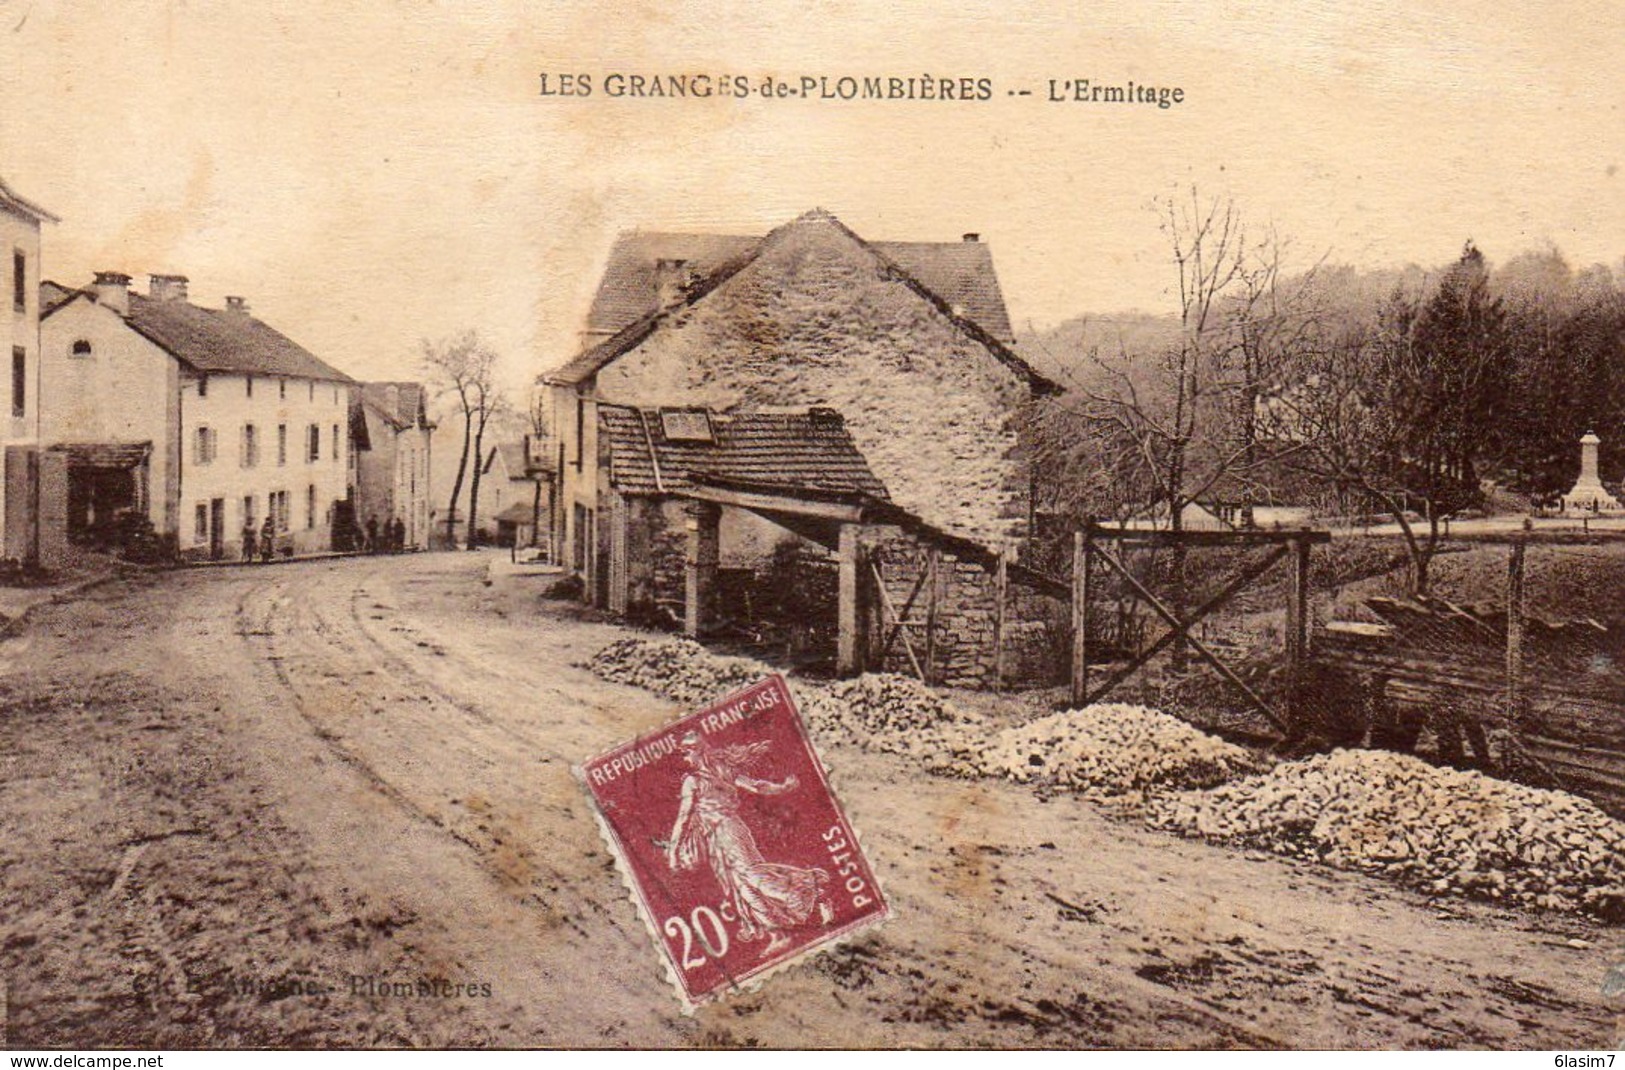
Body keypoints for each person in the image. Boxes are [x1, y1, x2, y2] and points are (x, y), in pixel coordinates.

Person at [665, 731, 830, 957]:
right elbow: (757, 786)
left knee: (752, 875)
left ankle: (808, 890)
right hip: (721, 836)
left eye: (686, 754)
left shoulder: (694, 781)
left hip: (727, 831)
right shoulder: (723, 772)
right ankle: (779, 934)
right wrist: (781, 788)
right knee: (742, 890)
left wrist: (673, 852)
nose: (685, 760)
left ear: (697, 752)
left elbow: (683, 818)